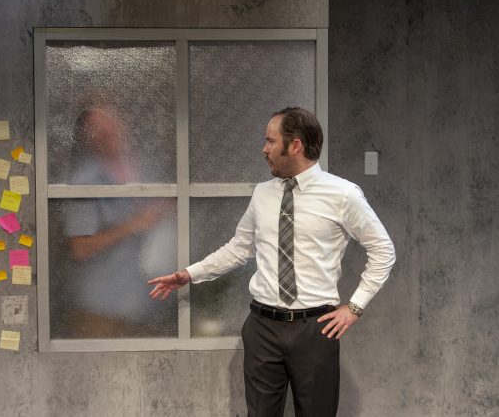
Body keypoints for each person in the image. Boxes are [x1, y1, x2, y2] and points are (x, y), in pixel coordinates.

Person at [148, 107, 396, 416]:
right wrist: (189, 274)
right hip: (262, 328)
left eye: (270, 141)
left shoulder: (343, 194)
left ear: (295, 145)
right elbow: (238, 248)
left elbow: (383, 250)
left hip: (315, 329)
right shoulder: (262, 193)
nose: (264, 149)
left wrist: (355, 307)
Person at [64, 105, 176, 338]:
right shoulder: (86, 180)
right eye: (96, 128)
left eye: (110, 121)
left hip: (148, 304)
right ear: (87, 138)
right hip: (103, 309)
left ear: (123, 122)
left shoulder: (147, 168)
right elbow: (80, 247)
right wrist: (133, 224)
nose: (106, 131)